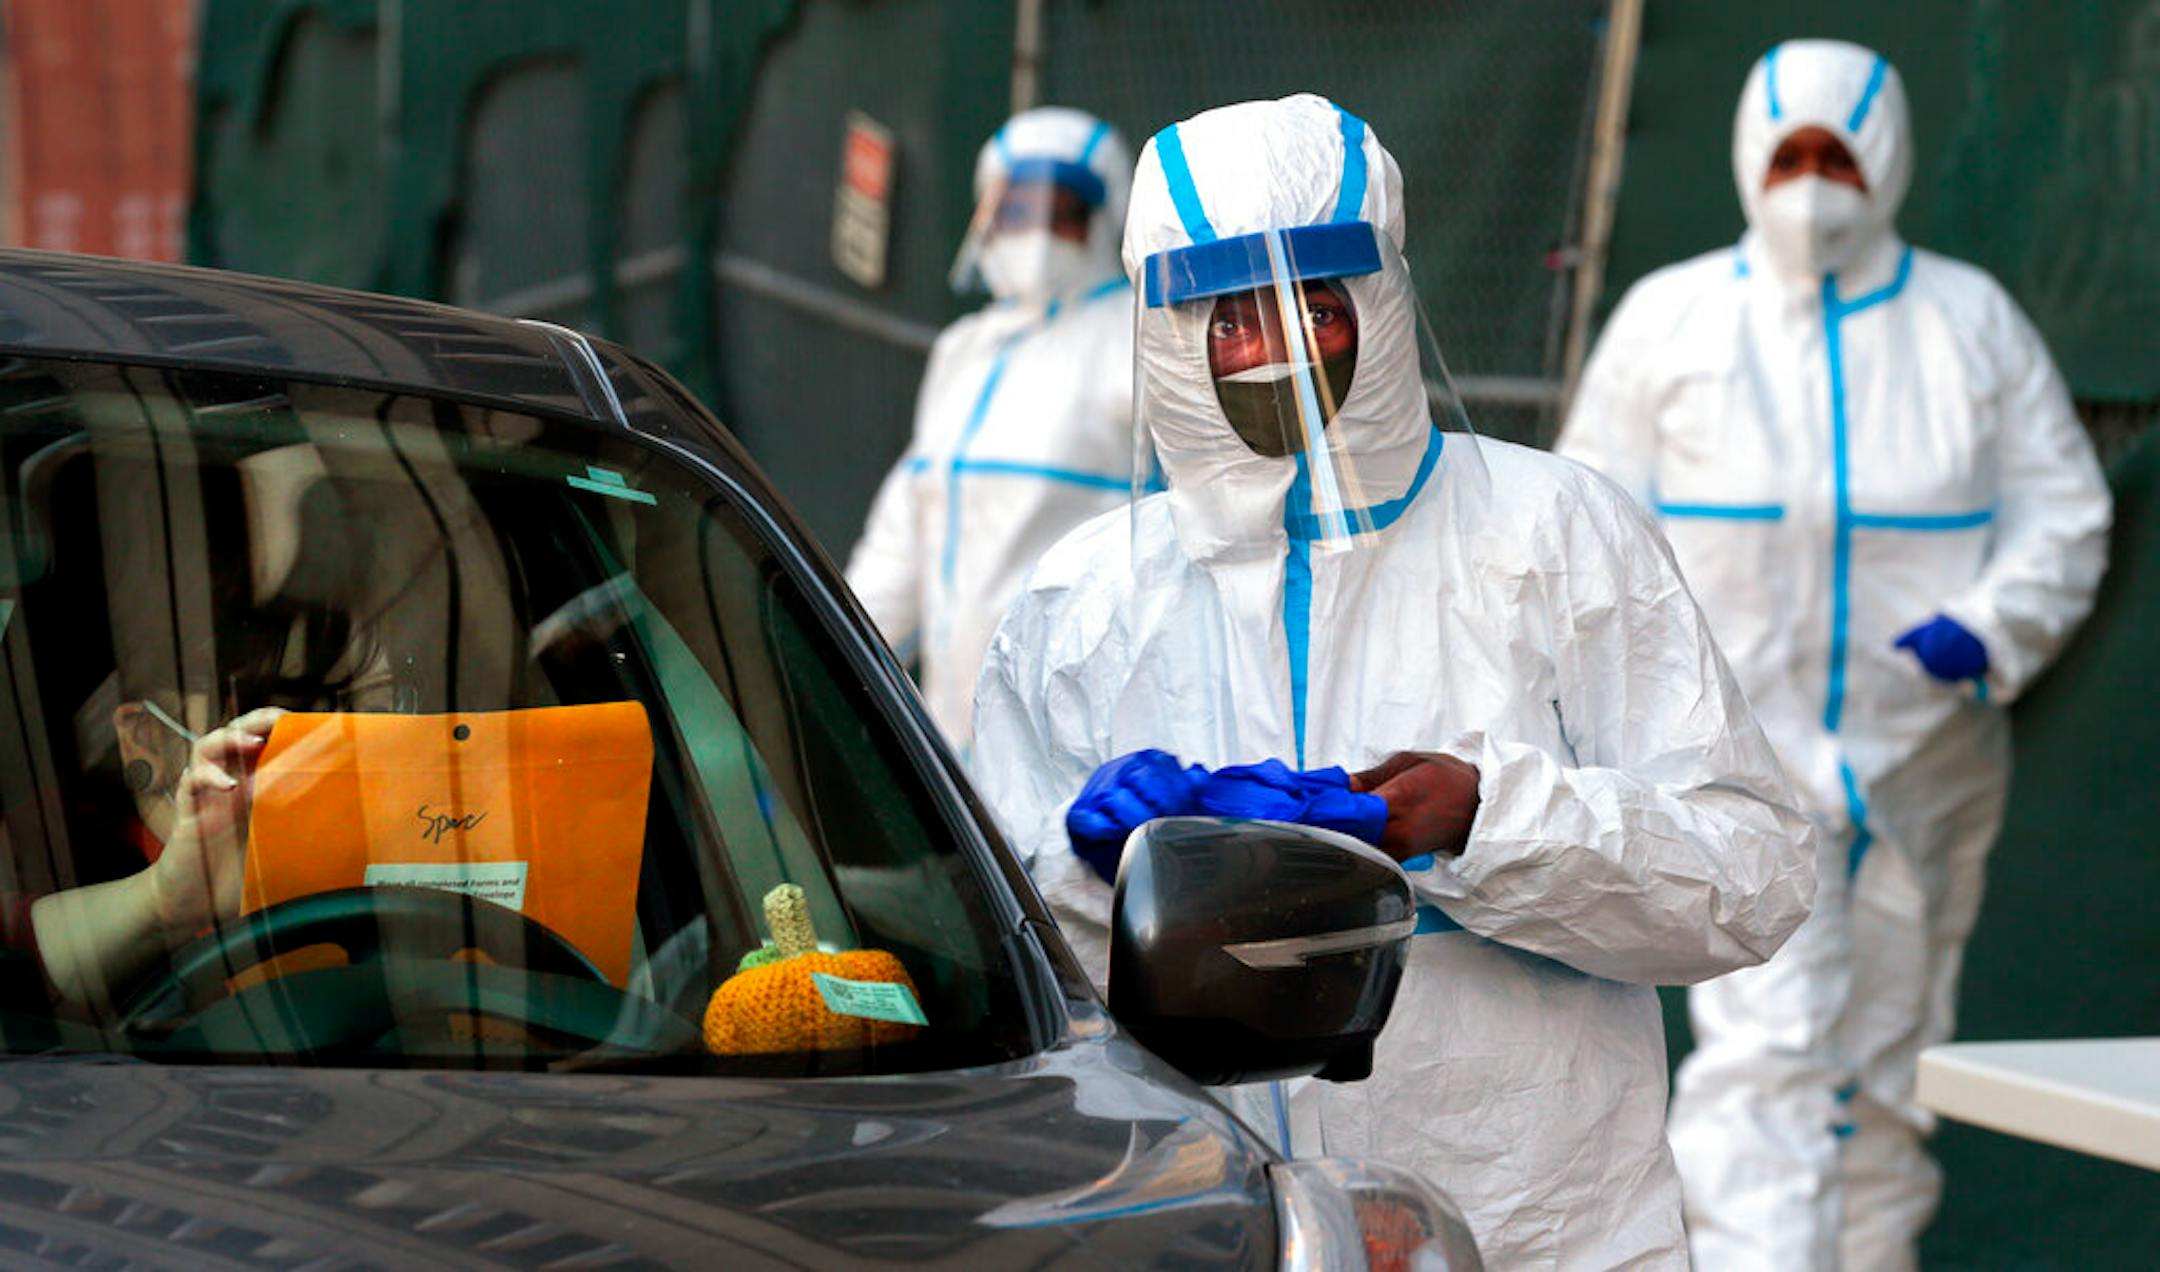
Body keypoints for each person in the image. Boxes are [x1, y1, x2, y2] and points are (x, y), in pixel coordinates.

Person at [973, 93, 1817, 1269]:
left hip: (1534, 1231)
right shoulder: (1083, 606)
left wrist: (1483, 826)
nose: (1275, 350)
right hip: (1199, 1228)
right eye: (1229, 321)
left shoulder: (1552, 534)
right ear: (1168, 333)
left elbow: (1752, 877)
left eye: (1313, 305)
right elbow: (1002, 968)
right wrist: (1096, 867)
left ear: (1376, 297)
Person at [1558, 39, 2112, 1270]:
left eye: (1841, 157)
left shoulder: (1969, 323)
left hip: (1926, 750)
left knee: (1893, 1049)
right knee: (1762, 1053)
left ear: (1891, 161)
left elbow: (2063, 509)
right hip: (1736, 762)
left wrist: (1994, 626)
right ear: (1752, 158)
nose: (1816, 185)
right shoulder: (1675, 321)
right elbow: (1590, 528)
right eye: (1794, 155)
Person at [846, 106, 1138, 754]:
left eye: (1060, 212)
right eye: (1014, 209)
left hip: (1077, 739)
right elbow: (906, 532)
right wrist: (835, 656)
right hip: (950, 730)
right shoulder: (964, 350)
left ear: (1104, 217)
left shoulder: (1135, 342)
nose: (1034, 233)